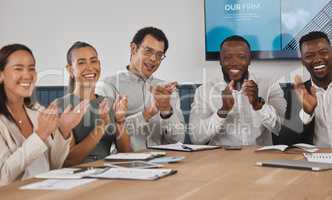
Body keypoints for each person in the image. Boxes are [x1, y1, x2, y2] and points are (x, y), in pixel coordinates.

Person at [0, 44, 87, 186]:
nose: (28, 75)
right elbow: (3, 178)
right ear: (1, 75)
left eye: (31, 68)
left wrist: (63, 130)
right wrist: (40, 135)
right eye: (18, 68)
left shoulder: (37, 111)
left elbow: (54, 166)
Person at [96, 27, 185, 151]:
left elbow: (179, 140)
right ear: (133, 49)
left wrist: (166, 111)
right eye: (148, 51)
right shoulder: (108, 85)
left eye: (159, 55)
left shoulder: (166, 90)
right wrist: (146, 114)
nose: (154, 59)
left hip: (164, 162)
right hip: (123, 165)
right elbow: (106, 134)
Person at [189, 35, 285, 146]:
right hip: (221, 160)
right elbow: (195, 138)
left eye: (241, 56)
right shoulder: (204, 91)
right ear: (220, 61)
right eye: (228, 57)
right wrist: (223, 111)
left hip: (259, 157)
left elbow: (279, 129)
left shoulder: (270, 86)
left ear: (249, 60)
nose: (234, 62)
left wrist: (259, 105)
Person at [56, 41, 132, 166]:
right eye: (81, 62)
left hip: (108, 172)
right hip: (76, 176)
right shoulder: (60, 107)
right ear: (70, 69)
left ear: (99, 64)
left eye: (93, 61)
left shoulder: (109, 103)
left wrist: (120, 120)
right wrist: (101, 127)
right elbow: (68, 161)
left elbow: (126, 153)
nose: (90, 67)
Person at [293, 31, 332, 147]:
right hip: (316, 161)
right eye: (309, 56)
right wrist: (306, 112)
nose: (318, 59)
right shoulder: (298, 93)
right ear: (303, 61)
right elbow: (288, 141)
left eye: (323, 52)